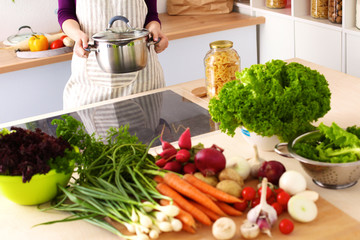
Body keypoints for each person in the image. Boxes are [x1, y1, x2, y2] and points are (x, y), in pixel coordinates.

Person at [57, 0, 169, 109]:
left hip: (143, 80)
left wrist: (155, 30)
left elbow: (151, 14)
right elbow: (65, 12)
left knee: (147, 127)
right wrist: (77, 35)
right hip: (90, 77)